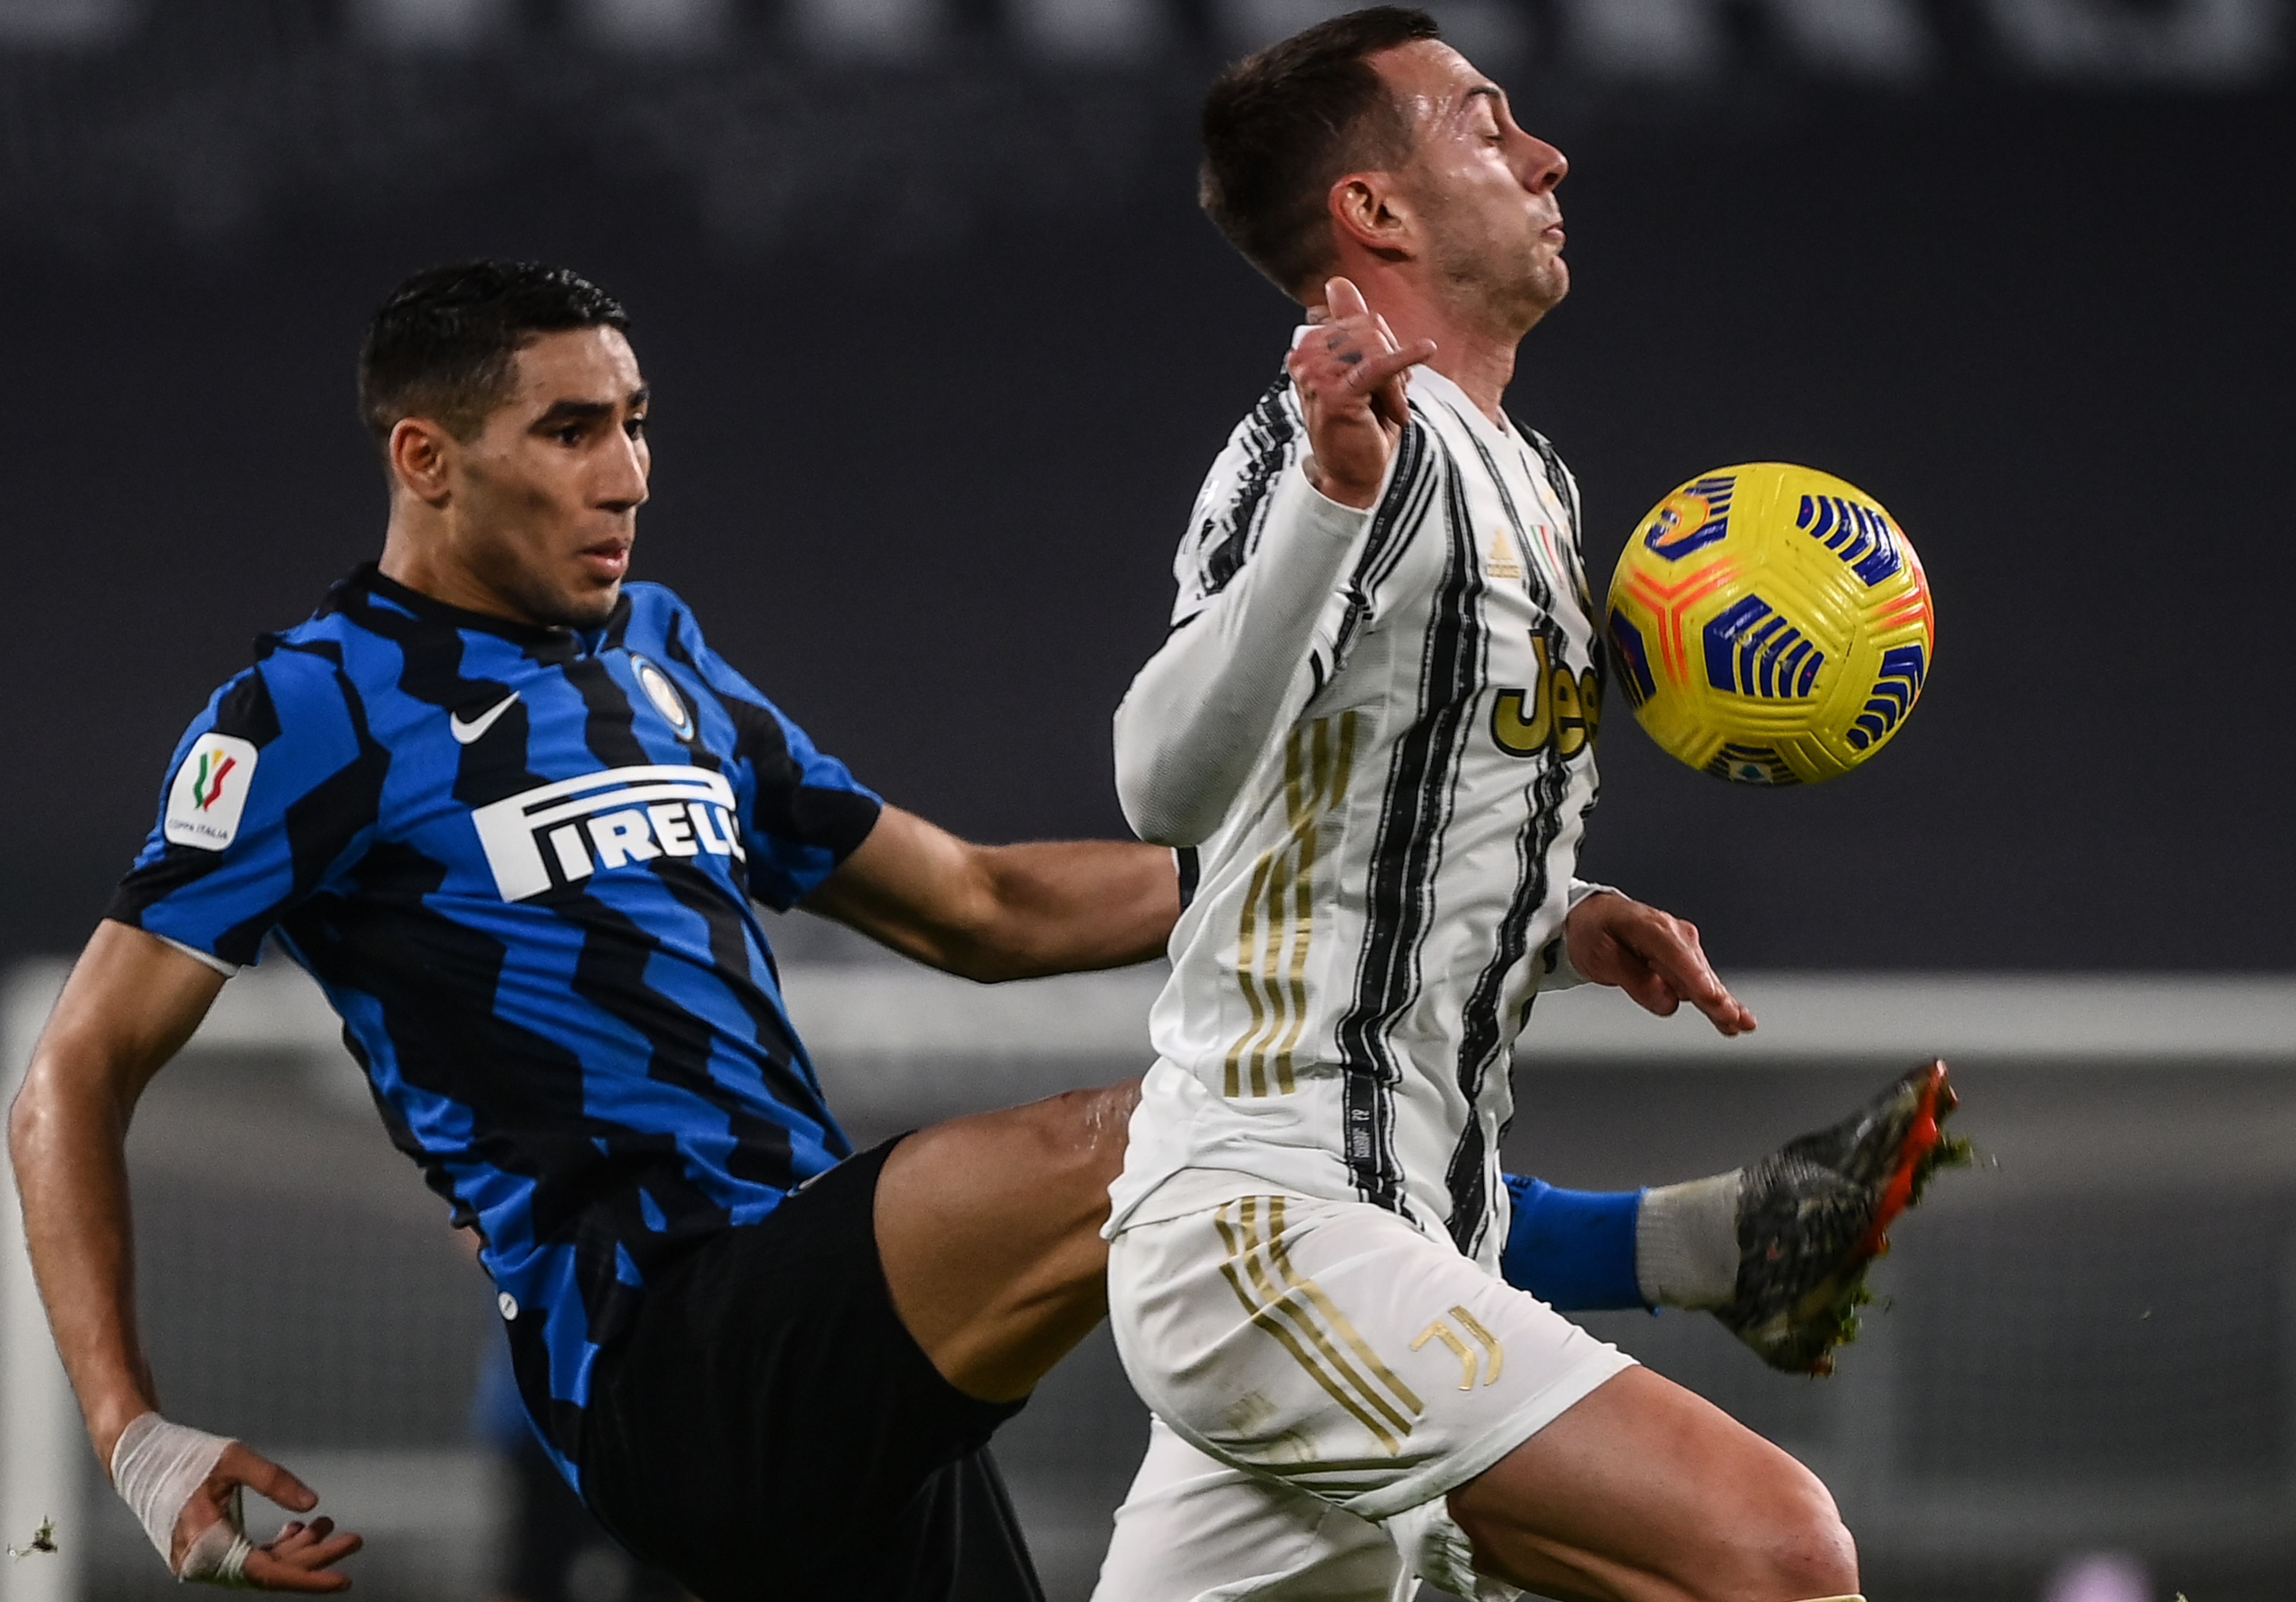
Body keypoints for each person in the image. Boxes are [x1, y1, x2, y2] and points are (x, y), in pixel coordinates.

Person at [7, 261, 1946, 1602]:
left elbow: (988, 906)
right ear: (425, 458)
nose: (630, 471)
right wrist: (136, 1434)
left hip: (835, 1341)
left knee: (1215, 1229)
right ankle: (1694, 1251)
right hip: (656, 1348)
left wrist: (1473, 914)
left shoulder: (665, 664)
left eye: (640, 422)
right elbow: (74, 1072)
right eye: (572, 430)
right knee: (1168, 1141)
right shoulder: (307, 712)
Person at [1094, 11, 1958, 1602]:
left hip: (1407, 1221)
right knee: (1772, 1553)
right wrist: (1327, 497)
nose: (1548, 155)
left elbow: (1349, 824)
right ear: (1379, 212)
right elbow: (1165, 780)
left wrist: (1562, 923)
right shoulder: (1350, 444)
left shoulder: (1527, 476)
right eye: (1488, 126)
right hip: (1277, 1227)